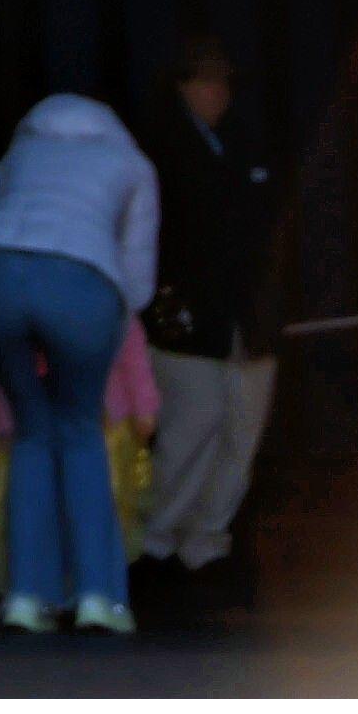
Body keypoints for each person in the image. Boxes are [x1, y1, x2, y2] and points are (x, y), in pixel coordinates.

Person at [0, 87, 158, 640]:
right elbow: (137, 276)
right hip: (83, 283)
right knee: (81, 433)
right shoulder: (131, 164)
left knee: (31, 434)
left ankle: (25, 596)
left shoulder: (20, 155)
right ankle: (98, 597)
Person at [137, 32, 281, 598]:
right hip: (189, 323)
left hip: (250, 322)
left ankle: (207, 545)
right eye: (202, 81)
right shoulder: (160, 151)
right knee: (190, 430)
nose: (214, 91)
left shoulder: (248, 145)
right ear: (181, 87)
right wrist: (164, 305)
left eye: (222, 81)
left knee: (240, 435)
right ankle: (158, 544)